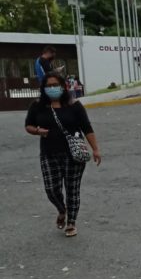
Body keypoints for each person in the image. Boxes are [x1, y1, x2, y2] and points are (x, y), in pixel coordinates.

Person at [24, 72, 101, 238]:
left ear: (63, 86)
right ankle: (61, 210)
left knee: (72, 190)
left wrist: (95, 149)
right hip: (48, 154)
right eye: (48, 86)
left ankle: (71, 222)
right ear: (44, 89)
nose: (52, 88)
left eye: (55, 85)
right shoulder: (37, 106)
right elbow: (28, 126)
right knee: (51, 189)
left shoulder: (75, 106)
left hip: (74, 154)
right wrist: (38, 131)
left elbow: (87, 128)